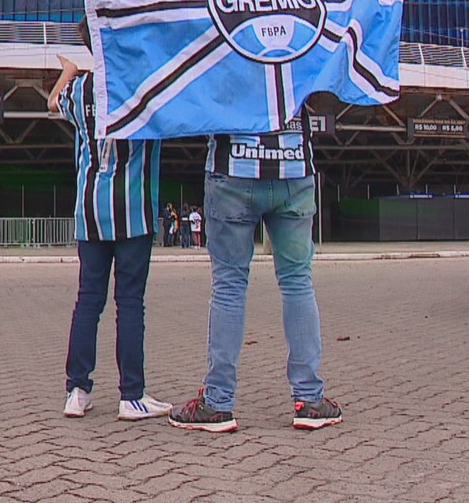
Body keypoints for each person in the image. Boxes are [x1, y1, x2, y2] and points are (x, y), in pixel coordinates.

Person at [169, 115, 342, 432]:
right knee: (297, 282)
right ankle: (309, 400)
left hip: (234, 167)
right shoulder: (297, 60)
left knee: (229, 286)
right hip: (293, 166)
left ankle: (218, 402)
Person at [49, 31, 170, 422]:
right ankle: (131, 395)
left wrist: (67, 72)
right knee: (130, 302)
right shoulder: (146, 86)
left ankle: (77, 390)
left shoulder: (81, 89)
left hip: (90, 210)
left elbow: (53, 102)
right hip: (133, 210)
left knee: (89, 300)